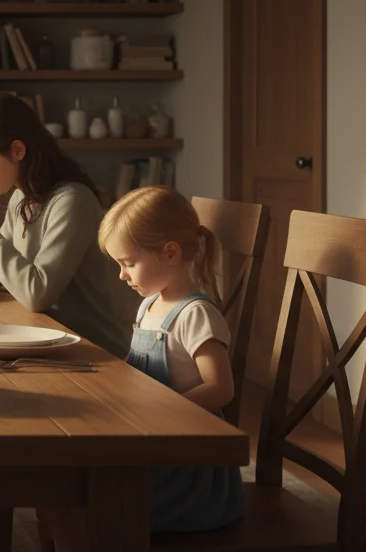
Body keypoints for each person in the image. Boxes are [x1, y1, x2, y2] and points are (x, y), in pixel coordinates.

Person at [42, 186, 245, 549]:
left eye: (128, 263)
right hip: (148, 443)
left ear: (170, 253)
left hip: (184, 469)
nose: (122, 275)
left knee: (72, 502)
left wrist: (159, 413)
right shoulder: (149, 304)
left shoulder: (195, 314)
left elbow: (221, 389)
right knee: (60, 483)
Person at [0, 94, 131, 357]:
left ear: (17, 151)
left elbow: (37, 294)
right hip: (45, 341)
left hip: (92, 353)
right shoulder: (20, 198)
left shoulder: (72, 201)